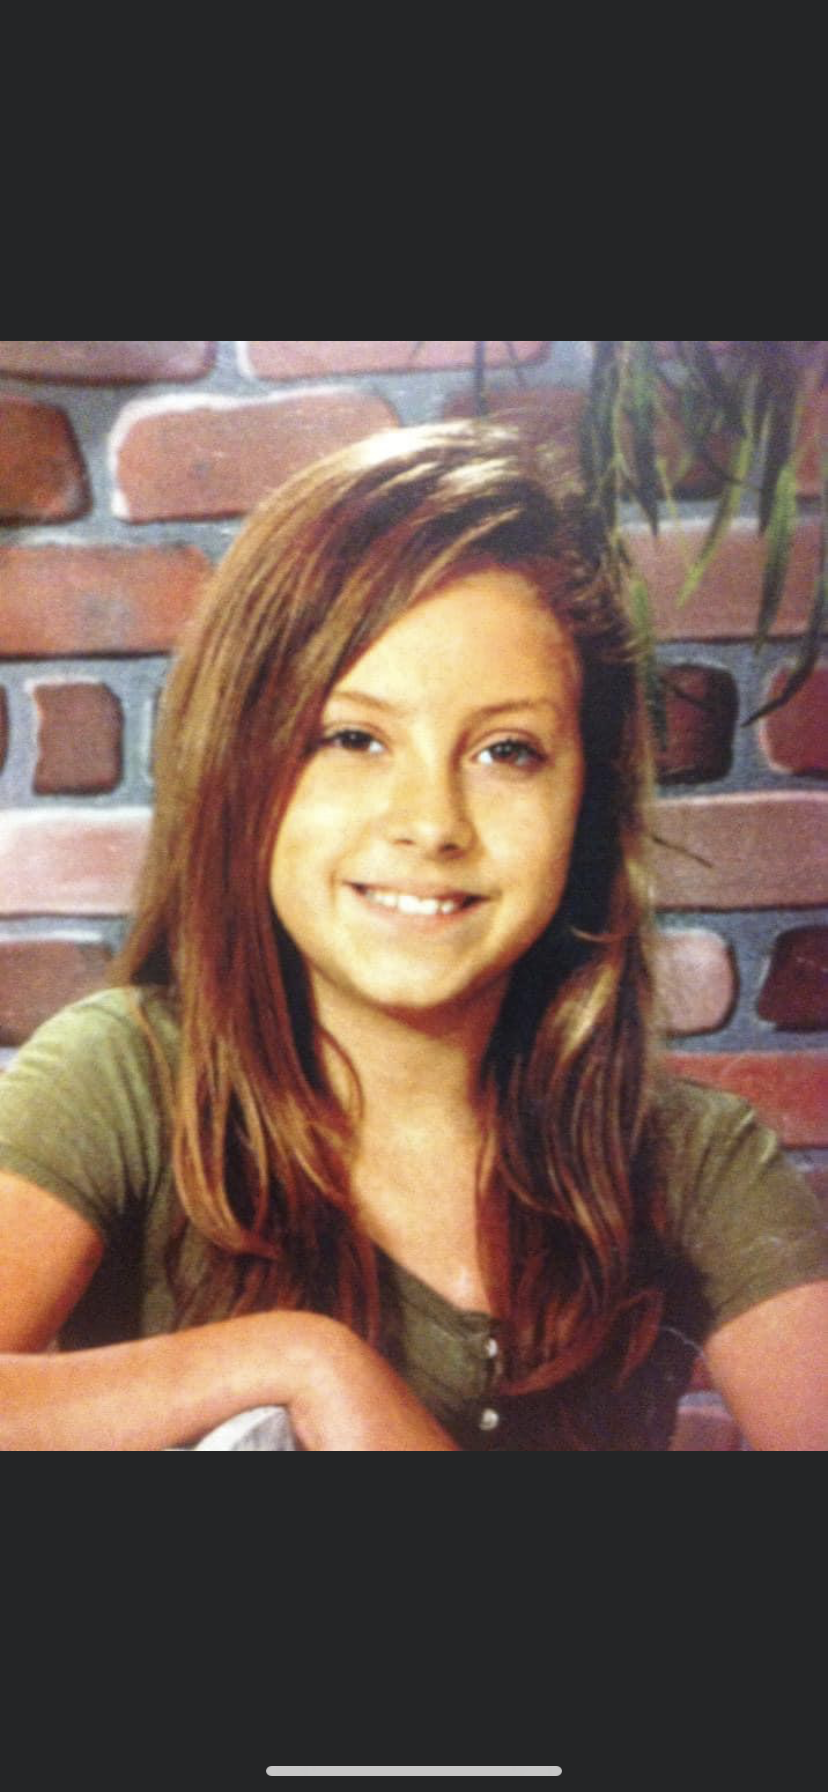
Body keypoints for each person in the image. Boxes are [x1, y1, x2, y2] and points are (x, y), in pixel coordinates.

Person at [0, 421, 826, 1451]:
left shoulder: (688, 1157)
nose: (431, 823)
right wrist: (298, 1361)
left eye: (507, 751)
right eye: (353, 738)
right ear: (240, 765)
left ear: (587, 799)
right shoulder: (125, 1078)